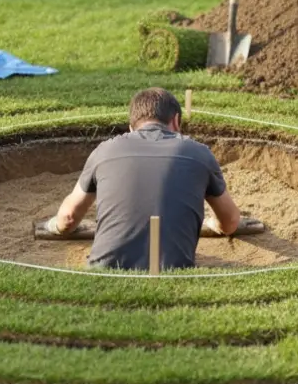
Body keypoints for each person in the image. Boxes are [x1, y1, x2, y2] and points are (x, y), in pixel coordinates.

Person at [47, 88, 241, 271]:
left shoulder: (104, 151)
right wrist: (213, 224)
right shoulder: (199, 153)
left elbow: (68, 218)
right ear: (176, 120)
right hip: (173, 274)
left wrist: (53, 225)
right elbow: (231, 221)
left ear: (131, 127)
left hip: (105, 271)